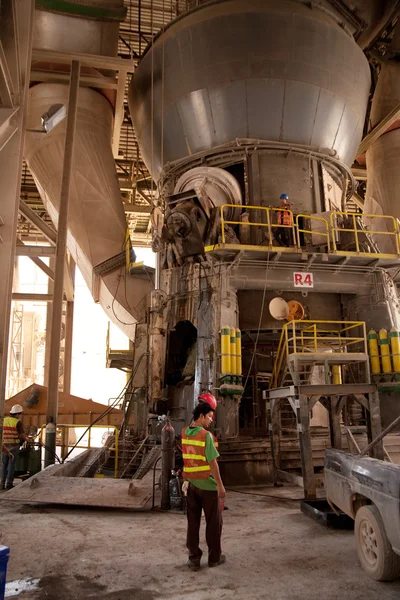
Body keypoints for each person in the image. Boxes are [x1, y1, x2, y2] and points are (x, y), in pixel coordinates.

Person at [182, 393, 226, 570]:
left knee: (193, 524)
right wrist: (221, 487)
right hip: (208, 487)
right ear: (201, 416)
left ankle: (194, 559)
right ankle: (214, 558)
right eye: (209, 417)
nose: (210, 421)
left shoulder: (185, 433)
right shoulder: (205, 436)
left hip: (191, 486)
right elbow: (213, 464)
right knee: (214, 523)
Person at [1, 404, 27, 490]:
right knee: (11, 465)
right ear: (17, 414)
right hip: (14, 446)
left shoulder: (4, 420)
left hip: (4, 445)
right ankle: (9, 484)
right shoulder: (18, 422)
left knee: (4, 465)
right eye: (21, 414)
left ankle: (1, 484)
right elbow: (22, 435)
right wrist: (28, 440)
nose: (21, 416)